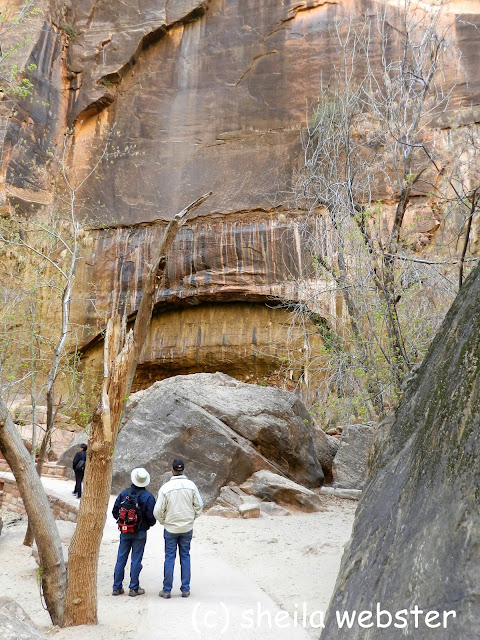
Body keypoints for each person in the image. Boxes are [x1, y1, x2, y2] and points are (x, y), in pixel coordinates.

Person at [154, 458, 203, 598]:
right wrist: (191, 518)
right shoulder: (191, 486)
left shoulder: (165, 488)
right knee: (185, 556)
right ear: (183, 470)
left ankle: (167, 589)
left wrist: (164, 521)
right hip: (186, 527)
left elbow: (157, 511)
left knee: (169, 557)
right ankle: (185, 588)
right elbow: (199, 505)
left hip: (171, 528)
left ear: (172, 470)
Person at [112, 467, 156, 597]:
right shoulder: (148, 497)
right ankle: (133, 588)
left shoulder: (124, 493)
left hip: (125, 531)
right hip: (140, 532)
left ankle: (117, 587)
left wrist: (123, 523)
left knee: (121, 558)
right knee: (136, 560)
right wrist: (146, 525)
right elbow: (151, 516)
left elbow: (115, 511)